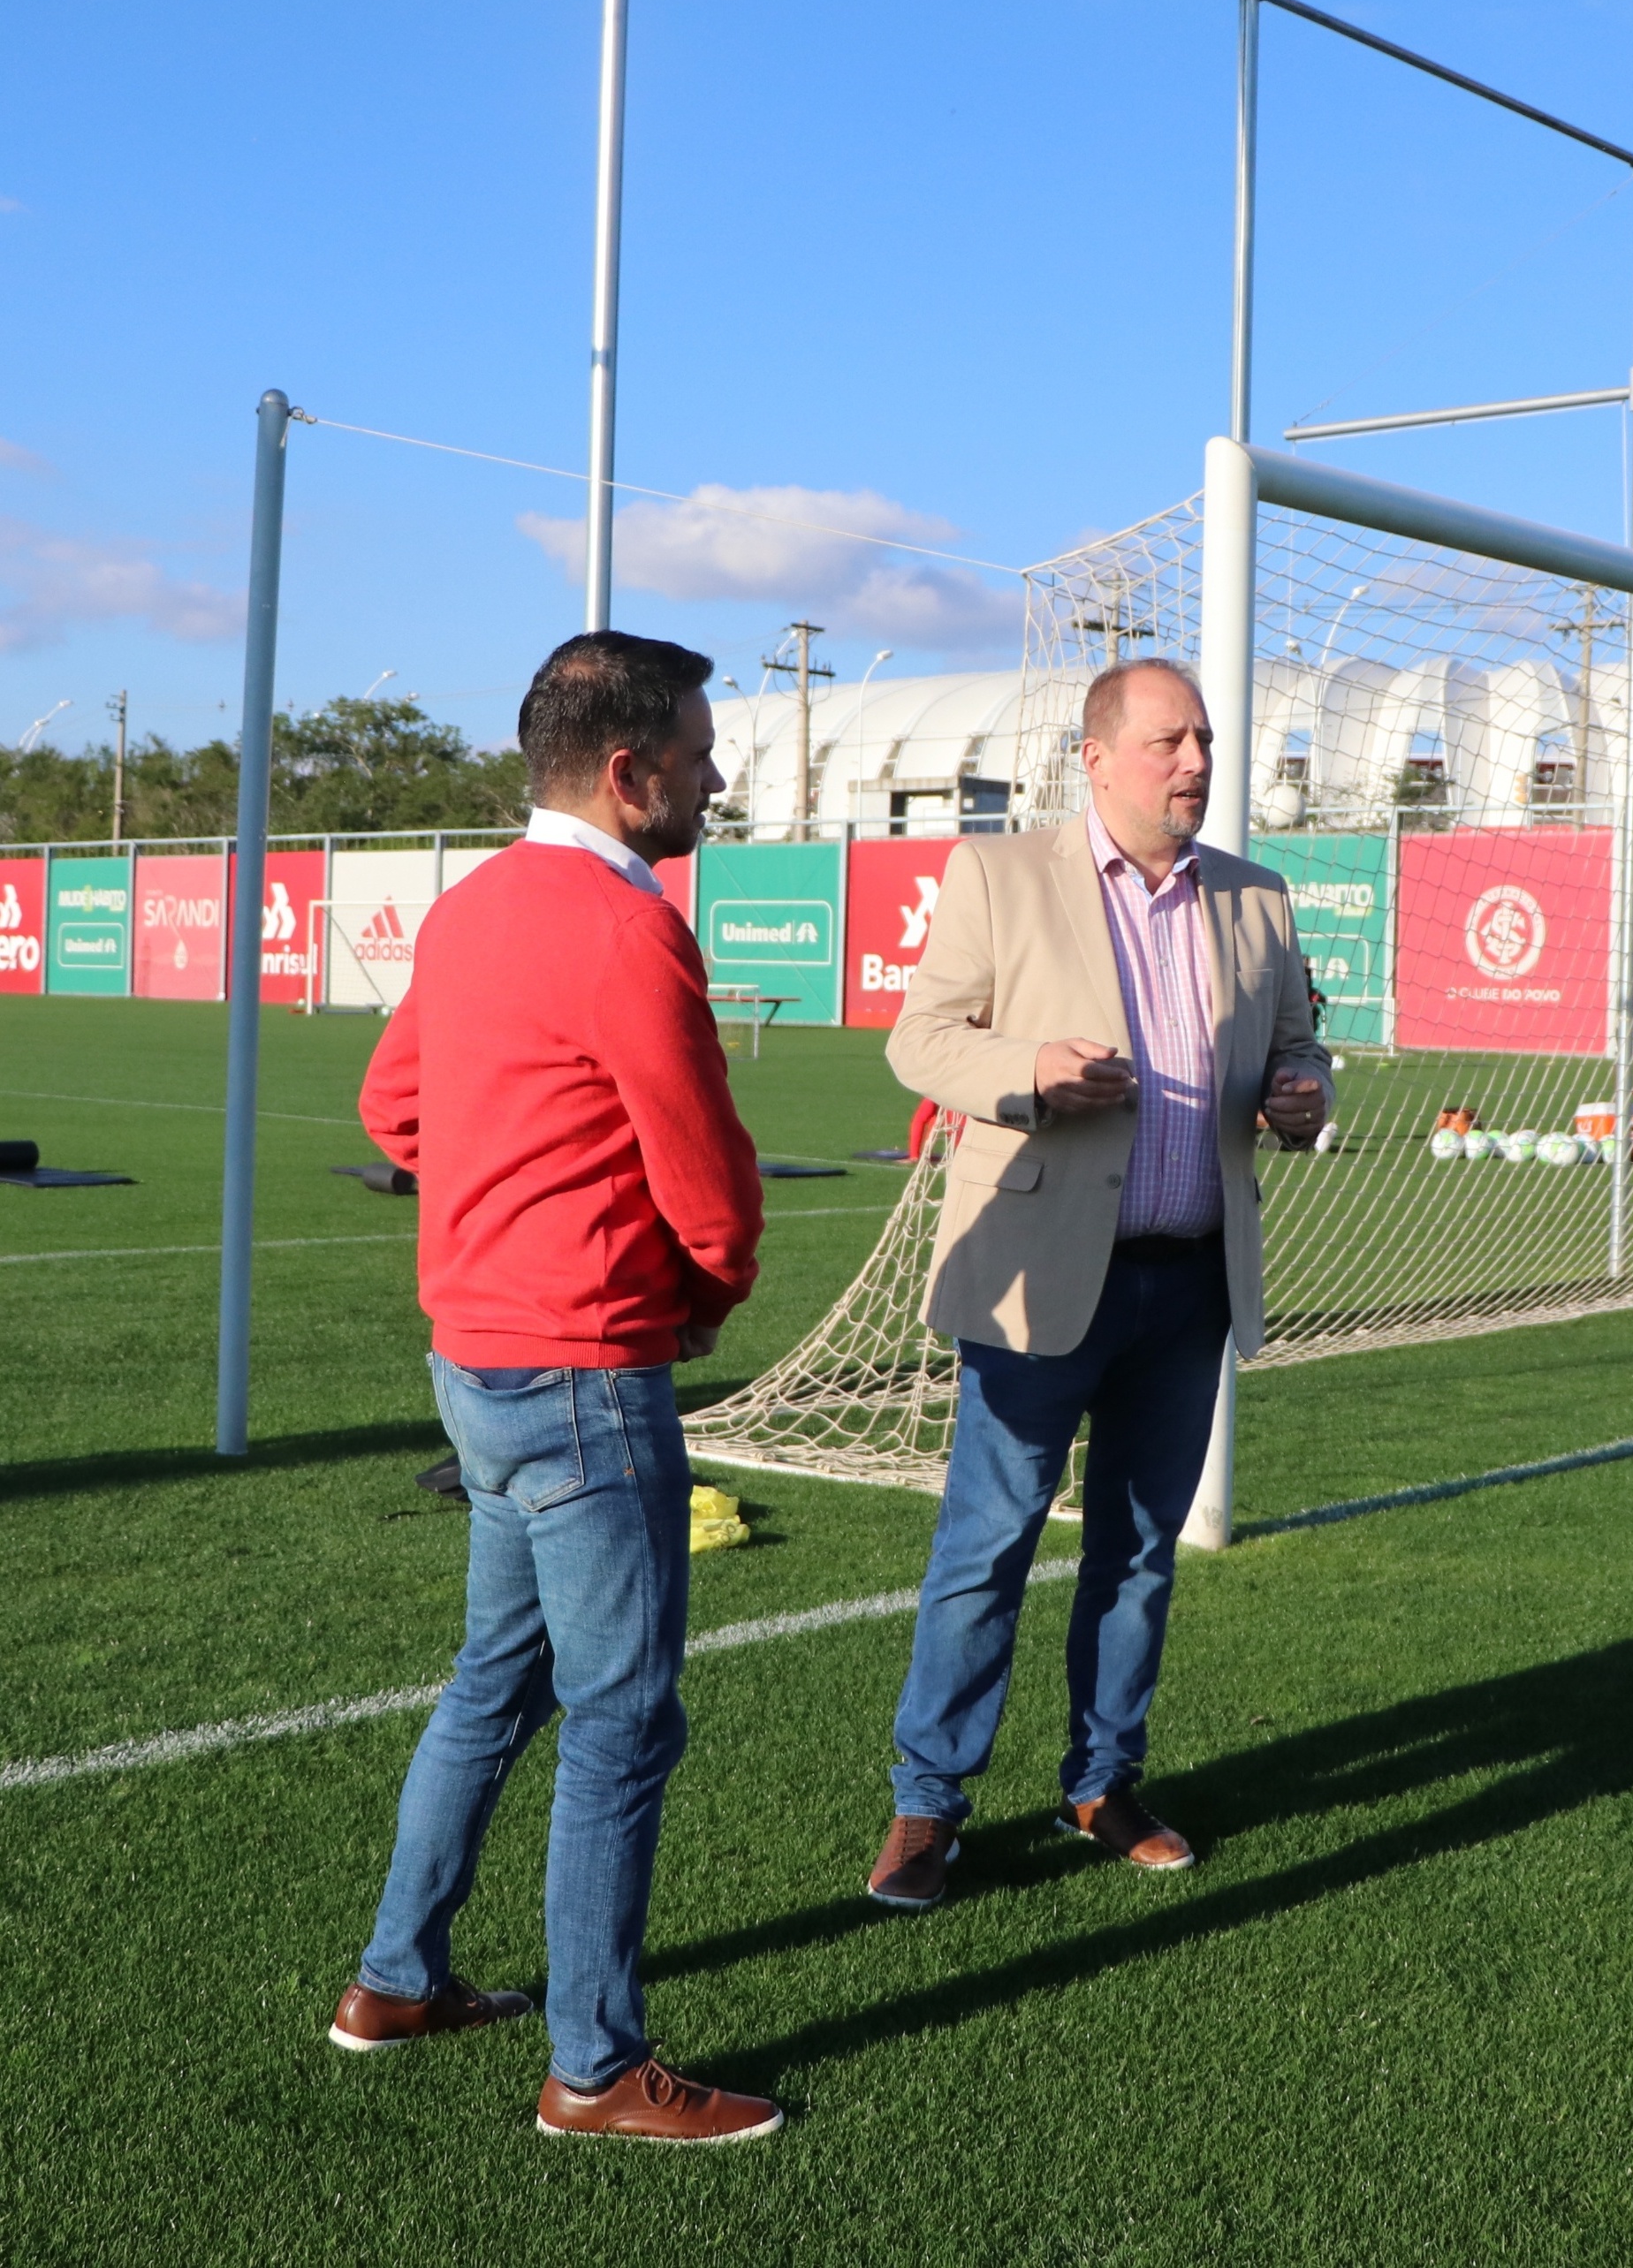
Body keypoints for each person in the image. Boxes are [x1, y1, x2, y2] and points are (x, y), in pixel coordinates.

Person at [328, 630, 783, 2145]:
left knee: (494, 1681)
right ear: (628, 770)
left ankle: (394, 1978)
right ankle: (595, 2067)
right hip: (585, 1370)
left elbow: (393, 1103)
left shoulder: (471, 908)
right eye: (703, 750)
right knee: (622, 1722)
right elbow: (706, 1172)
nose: (717, 773)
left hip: (474, 1362)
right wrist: (703, 1293)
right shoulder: (624, 922)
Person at [867, 657, 1333, 1907]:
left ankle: (1102, 1779)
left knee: (1138, 1551)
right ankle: (928, 1804)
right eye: (1169, 740)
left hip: (1188, 1287)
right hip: (1037, 1281)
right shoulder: (999, 874)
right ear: (1097, 754)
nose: (1194, 762)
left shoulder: (1257, 899)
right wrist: (1032, 1070)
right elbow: (921, 1037)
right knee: (988, 1543)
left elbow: (1302, 1054)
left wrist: (1305, 1098)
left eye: (1206, 741)